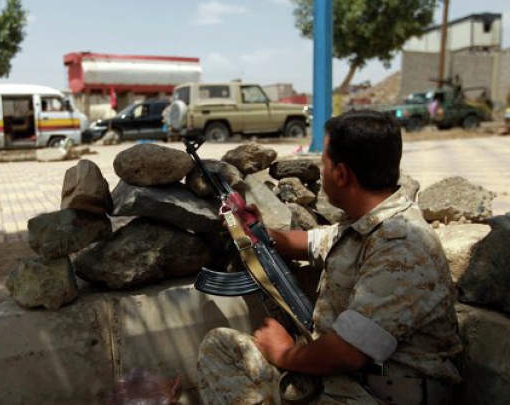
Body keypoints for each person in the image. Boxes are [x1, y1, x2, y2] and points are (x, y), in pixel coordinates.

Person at [197, 110, 462, 405]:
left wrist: (284, 353)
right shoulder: (367, 222)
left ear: (341, 174)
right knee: (221, 347)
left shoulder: (402, 245)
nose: (321, 172)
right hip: (338, 381)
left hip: (374, 394)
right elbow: (314, 241)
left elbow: (346, 353)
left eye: (323, 163)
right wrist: (256, 229)